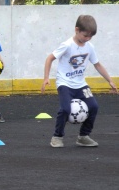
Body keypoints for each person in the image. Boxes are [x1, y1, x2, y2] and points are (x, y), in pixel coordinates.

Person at [41, 15, 117, 148]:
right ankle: (57, 136)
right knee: (65, 109)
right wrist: (46, 78)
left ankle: (83, 136)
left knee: (94, 107)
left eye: (90, 37)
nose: (87, 39)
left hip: (81, 84)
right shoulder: (67, 45)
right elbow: (49, 59)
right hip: (65, 83)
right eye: (85, 35)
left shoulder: (89, 47)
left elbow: (97, 64)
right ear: (77, 30)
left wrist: (109, 80)